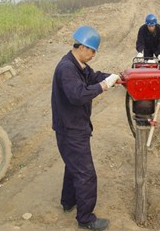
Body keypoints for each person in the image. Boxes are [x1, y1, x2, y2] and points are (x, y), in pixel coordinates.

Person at [51, 25, 120, 231]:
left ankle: (68, 201)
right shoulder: (66, 69)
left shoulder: (78, 65)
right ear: (81, 47)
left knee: (73, 166)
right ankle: (86, 218)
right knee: (85, 173)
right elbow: (78, 95)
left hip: (73, 126)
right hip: (71, 129)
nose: (93, 55)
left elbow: (93, 76)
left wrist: (114, 77)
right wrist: (104, 86)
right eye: (92, 50)